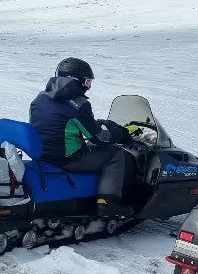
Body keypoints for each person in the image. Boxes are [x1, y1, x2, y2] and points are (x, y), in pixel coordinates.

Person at [29, 58, 134, 217]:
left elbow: (45, 125)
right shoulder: (79, 105)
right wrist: (122, 134)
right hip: (68, 159)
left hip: (42, 154)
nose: (88, 87)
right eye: (88, 82)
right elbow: (99, 137)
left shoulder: (40, 98)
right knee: (115, 154)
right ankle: (107, 204)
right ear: (76, 80)